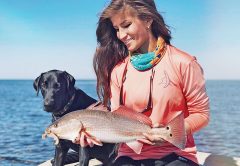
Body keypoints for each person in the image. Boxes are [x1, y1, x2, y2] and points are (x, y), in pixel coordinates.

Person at [75, 0, 210, 165]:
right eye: (117, 29)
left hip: (176, 155)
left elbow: (201, 114)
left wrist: (171, 132)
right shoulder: (118, 71)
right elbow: (116, 117)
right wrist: (93, 134)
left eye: (126, 25)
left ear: (147, 20)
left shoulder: (183, 63)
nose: (121, 35)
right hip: (130, 156)